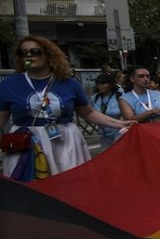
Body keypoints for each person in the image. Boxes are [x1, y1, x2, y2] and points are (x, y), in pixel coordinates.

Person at [1, 37, 133, 179]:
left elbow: (88, 112)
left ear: (48, 54)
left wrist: (119, 123)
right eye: (23, 52)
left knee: (68, 185)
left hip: (65, 142)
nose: (28, 55)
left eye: (35, 51)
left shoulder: (68, 83)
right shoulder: (9, 84)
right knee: (28, 189)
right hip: (26, 143)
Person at [89, 73, 124, 152]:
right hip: (103, 132)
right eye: (97, 84)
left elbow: (124, 113)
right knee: (107, 156)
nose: (100, 86)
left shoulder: (119, 95)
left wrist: (122, 127)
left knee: (119, 154)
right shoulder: (95, 97)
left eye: (103, 83)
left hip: (118, 131)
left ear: (110, 84)